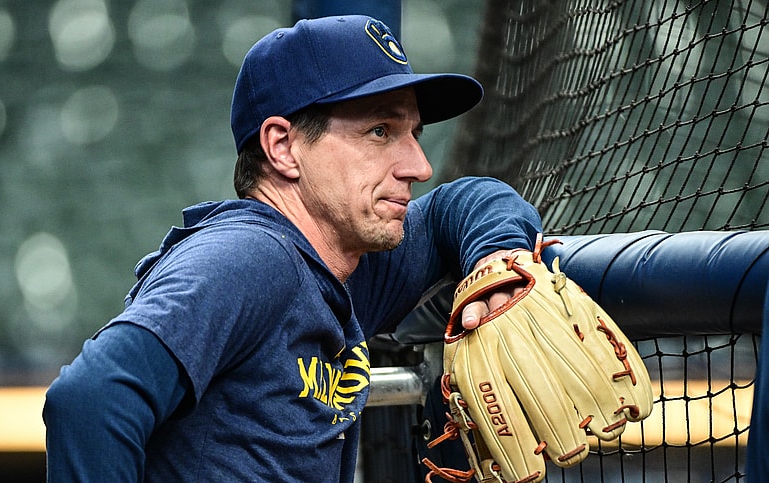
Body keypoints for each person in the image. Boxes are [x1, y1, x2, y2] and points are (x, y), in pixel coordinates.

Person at [43, 14, 542, 482]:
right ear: (282, 146)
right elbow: (90, 400)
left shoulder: (340, 264)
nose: (418, 165)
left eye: (413, 133)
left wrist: (497, 257)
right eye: (379, 131)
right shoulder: (250, 259)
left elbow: (462, 203)